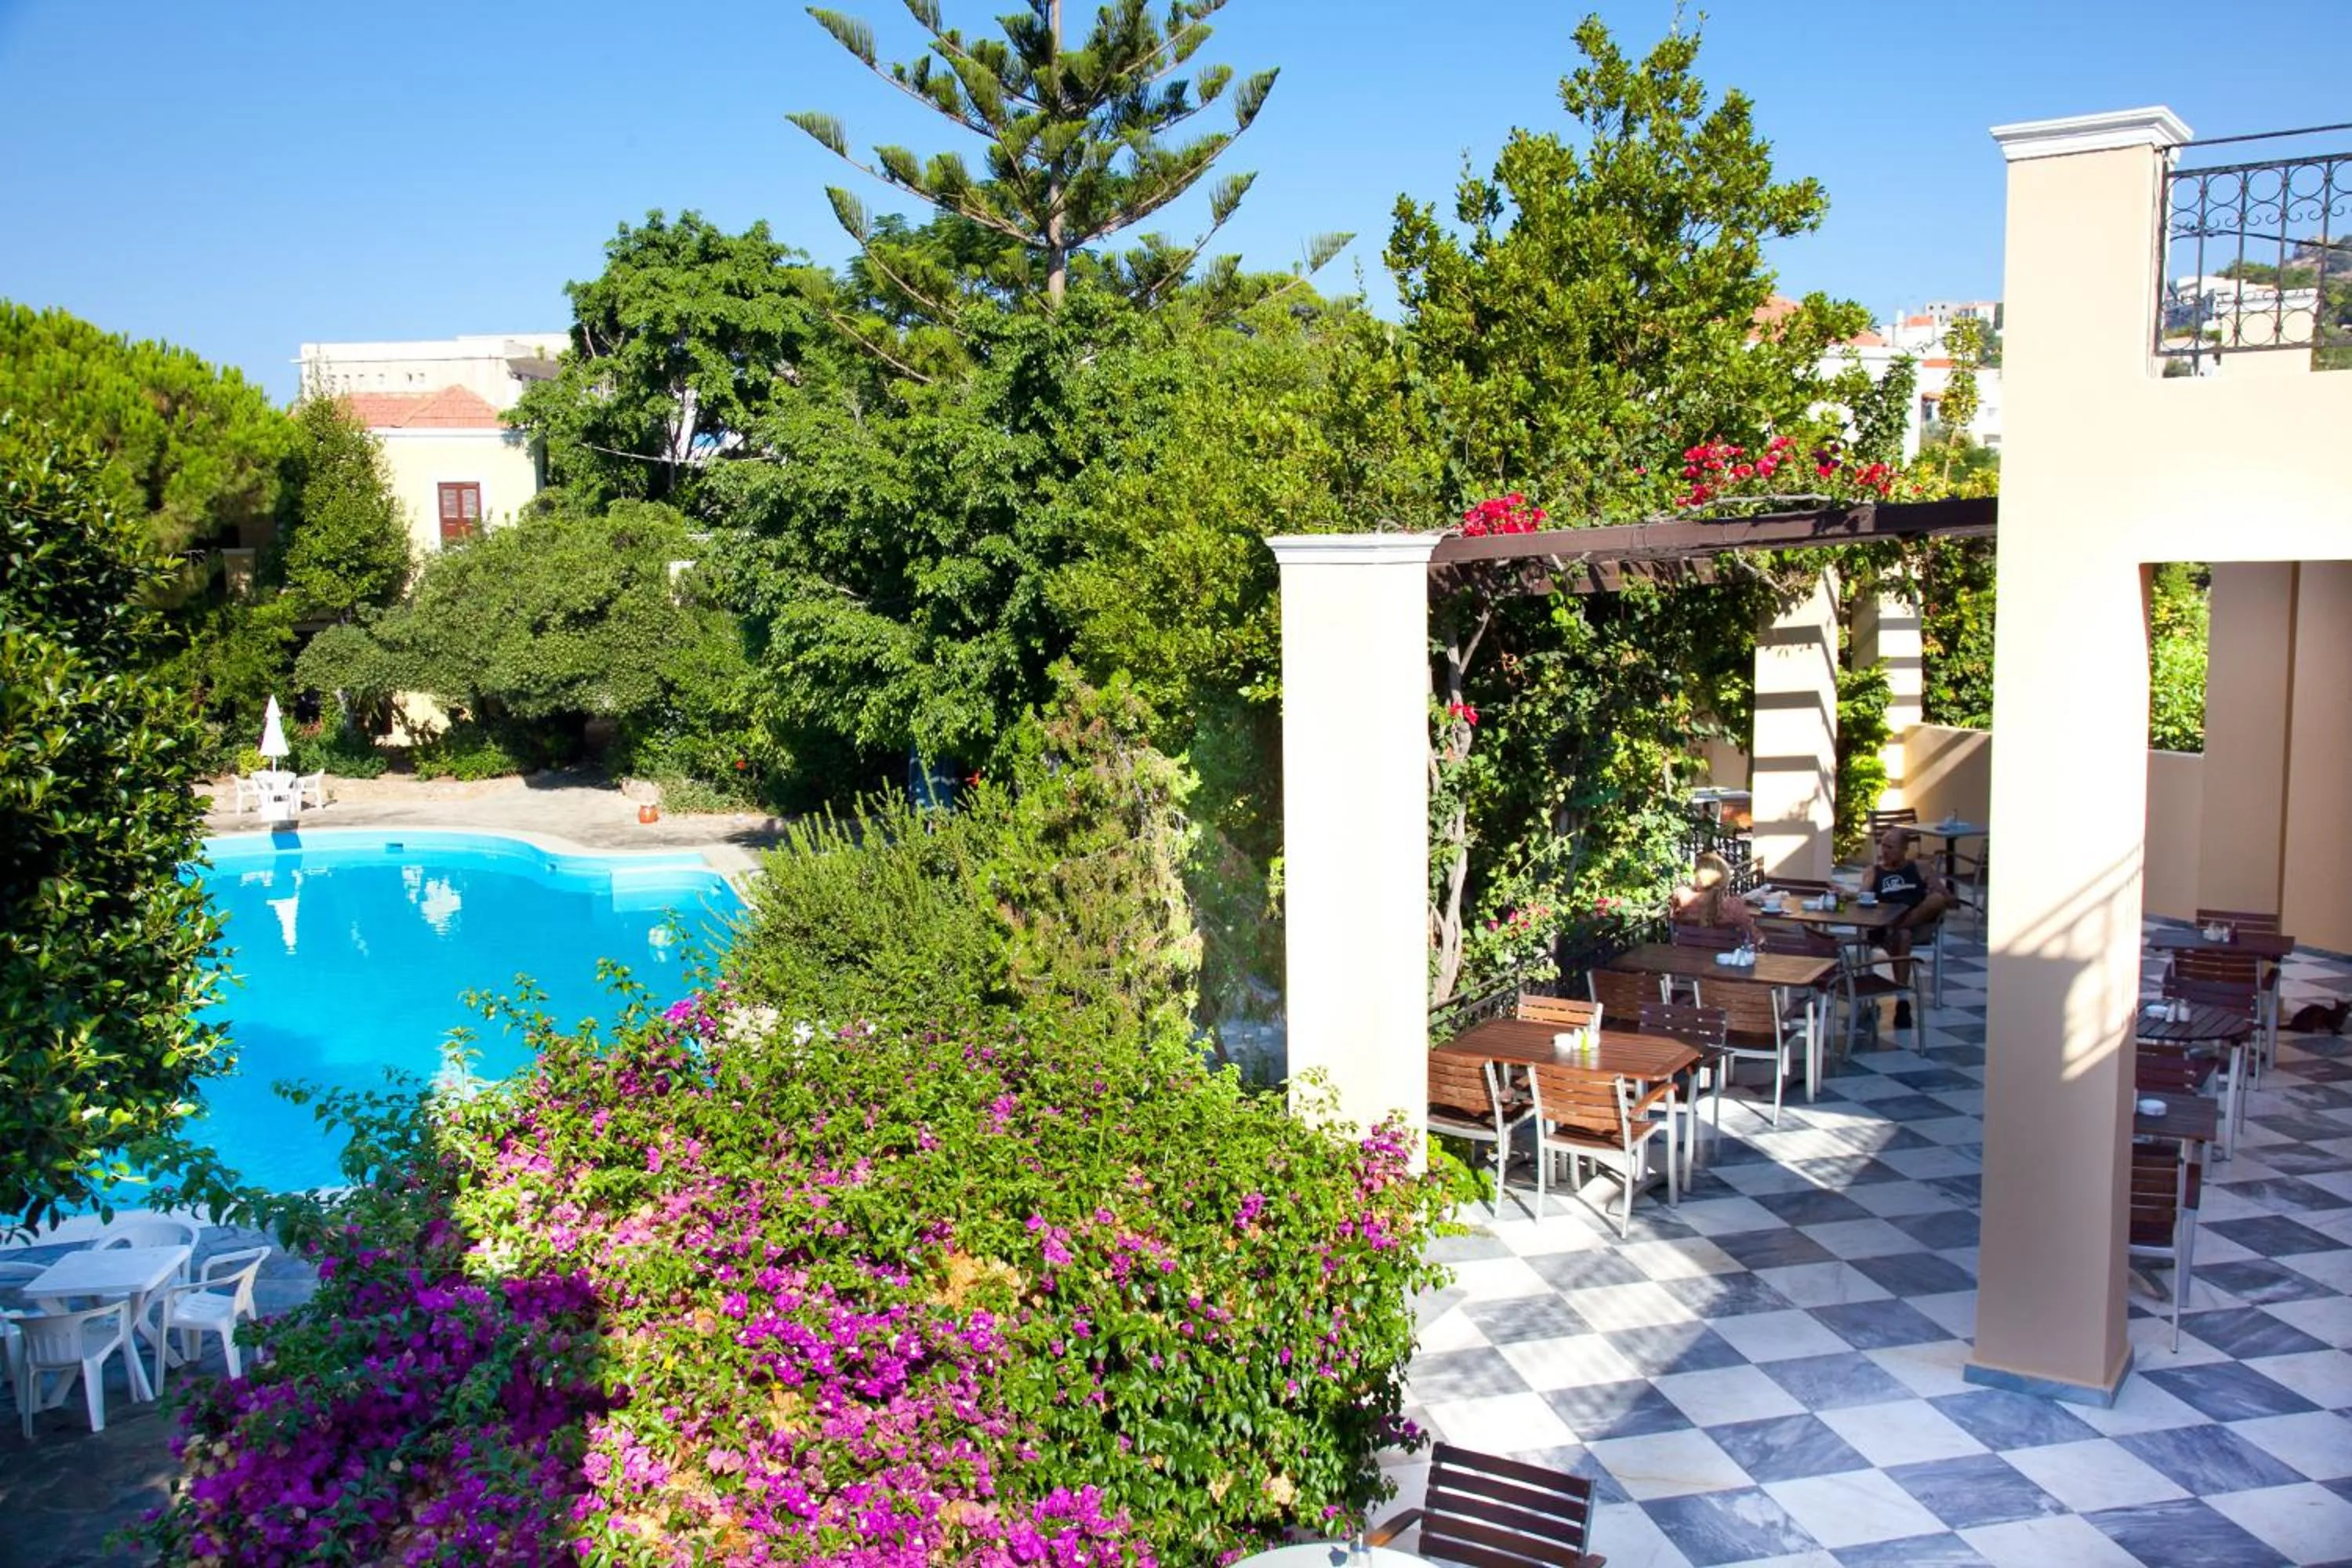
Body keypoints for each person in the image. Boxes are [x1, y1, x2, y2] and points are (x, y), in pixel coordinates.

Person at [1863, 826, 1951, 1027]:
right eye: (1883, 846)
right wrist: (1865, 884)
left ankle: (1895, 929)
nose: (1885, 851)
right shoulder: (1874, 871)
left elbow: (1947, 898)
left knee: (1935, 900)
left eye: (1891, 847)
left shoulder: (1920, 868)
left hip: (1915, 926)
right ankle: (1902, 1000)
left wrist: (1937, 892)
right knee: (1903, 935)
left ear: (1905, 849)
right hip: (1888, 926)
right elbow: (1863, 899)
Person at [1671, 851, 1760, 941]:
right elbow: (1754, 936)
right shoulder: (1734, 906)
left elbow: (1672, 921)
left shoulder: (1681, 897)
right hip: (1725, 953)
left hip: (1686, 953)